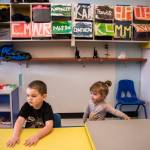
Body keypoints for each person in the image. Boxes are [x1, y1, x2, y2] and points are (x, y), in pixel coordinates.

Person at [7, 80, 54, 147]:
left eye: (33, 96)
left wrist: (36, 136)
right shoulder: (26, 106)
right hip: (28, 135)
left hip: (42, 136)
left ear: (44, 96)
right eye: (28, 95)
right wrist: (15, 136)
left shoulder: (47, 107)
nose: (29, 99)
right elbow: (19, 121)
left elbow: (49, 126)